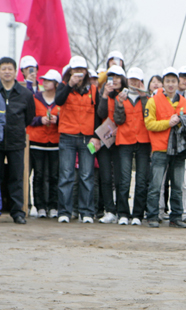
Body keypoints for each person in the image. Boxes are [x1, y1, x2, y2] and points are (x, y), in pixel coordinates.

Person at [144, 67, 186, 228]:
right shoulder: (153, 101)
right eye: (168, 81)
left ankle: (176, 217)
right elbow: (149, 123)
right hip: (160, 149)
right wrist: (168, 123)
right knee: (156, 185)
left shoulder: (184, 102)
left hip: (179, 150)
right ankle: (152, 216)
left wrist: (182, 121)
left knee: (178, 185)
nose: (171, 84)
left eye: (174, 81)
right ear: (163, 83)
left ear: (178, 83)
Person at [54, 56, 100, 224]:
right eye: (76, 70)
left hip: (87, 138)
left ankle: (86, 212)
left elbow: (98, 114)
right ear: (70, 71)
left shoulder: (94, 90)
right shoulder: (63, 86)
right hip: (67, 137)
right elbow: (58, 101)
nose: (79, 73)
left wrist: (96, 136)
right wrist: (70, 84)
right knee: (66, 175)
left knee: (87, 175)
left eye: (82, 70)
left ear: (86, 72)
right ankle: (64, 212)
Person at [111, 67, 151, 226]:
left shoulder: (147, 98)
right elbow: (118, 120)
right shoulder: (121, 97)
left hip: (143, 141)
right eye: (131, 79)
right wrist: (119, 104)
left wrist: (144, 97)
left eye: (137, 80)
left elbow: (149, 116)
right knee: (124, 178)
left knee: (141, 179)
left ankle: (137, 215)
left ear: (141, 81)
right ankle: (123, 213)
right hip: (125, 141)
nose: (134, 82)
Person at [0, 57, 35, 224]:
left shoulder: (25, 94)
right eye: (3, 68)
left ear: (16, 72)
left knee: (17, 177)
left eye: (10, 69)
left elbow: (29, 117)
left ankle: (17, 212)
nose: (7, 71)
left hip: (16, 141)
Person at [26, 69, 62, 219]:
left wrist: (58, 120)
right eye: (44, 80)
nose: (45, 82)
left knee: (54, 175)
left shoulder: (60, 100)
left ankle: (53, 206)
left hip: (55, 142)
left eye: (48, 80)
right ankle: (40, 206)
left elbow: (67, 119)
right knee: (38, 175)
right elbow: (28, 117)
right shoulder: (35, 98)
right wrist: (40, 120)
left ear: (56, 84)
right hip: (37, 141)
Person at [96, 65, 127, 224]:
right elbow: (100, 114)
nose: (114, 80)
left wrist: (119, 130)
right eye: (111, 77)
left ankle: (122, 211)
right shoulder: (103, 93)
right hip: (104, 139)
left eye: (117, 77)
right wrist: (104, 95)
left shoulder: (126, 96)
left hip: (121, 140)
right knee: (106, 176)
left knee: (121, 178)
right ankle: (109, 210)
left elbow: (123, 119)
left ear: (122, 80)